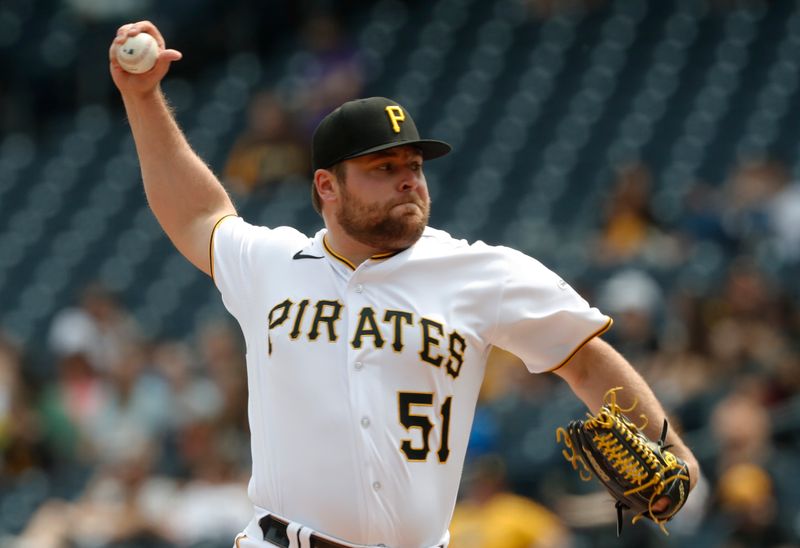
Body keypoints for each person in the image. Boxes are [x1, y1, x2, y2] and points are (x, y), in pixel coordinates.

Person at [109, 21, 700, 548]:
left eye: (414, 166)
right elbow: (195, 214)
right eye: (383, 169)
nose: (408, 182)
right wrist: (144, 98)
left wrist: (671, 451)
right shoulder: (271, 263)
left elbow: (586, 360)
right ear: (327, 187)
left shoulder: (481, 272)